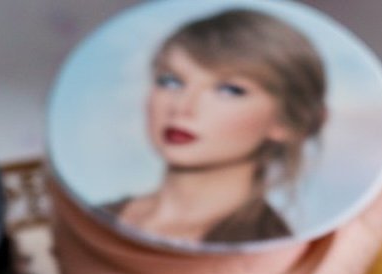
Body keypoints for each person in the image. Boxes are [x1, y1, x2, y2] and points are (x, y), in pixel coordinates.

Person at [105, 7, 327, 245]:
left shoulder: (267, 250)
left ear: (286, 122)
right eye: (170, 81)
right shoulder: (89, 215)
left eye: (230, 90)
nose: (182, 106)